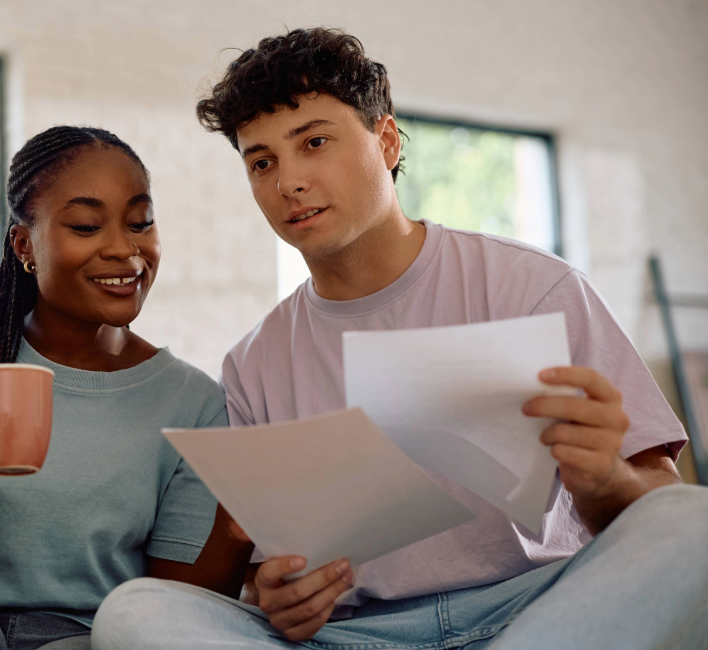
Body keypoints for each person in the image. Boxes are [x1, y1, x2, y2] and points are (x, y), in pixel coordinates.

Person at [91, 28, 708, 649]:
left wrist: (607, 485)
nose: (289, 182)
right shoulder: (253, 364)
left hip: (539, 609)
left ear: (386, 141)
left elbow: (661, 503)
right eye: (262, 161)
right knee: (137, 613)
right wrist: (280, 600)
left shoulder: (536, 289)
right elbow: (266, 580)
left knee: (697, 527)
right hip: (363, 637)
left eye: (315, 142)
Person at [0, 126, 252, 650]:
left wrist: (243, 524)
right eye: (88, 226)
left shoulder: (196, 405)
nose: (124, 248)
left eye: (141, 222)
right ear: (25, 245)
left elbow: (173, 615)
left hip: (92, 642)